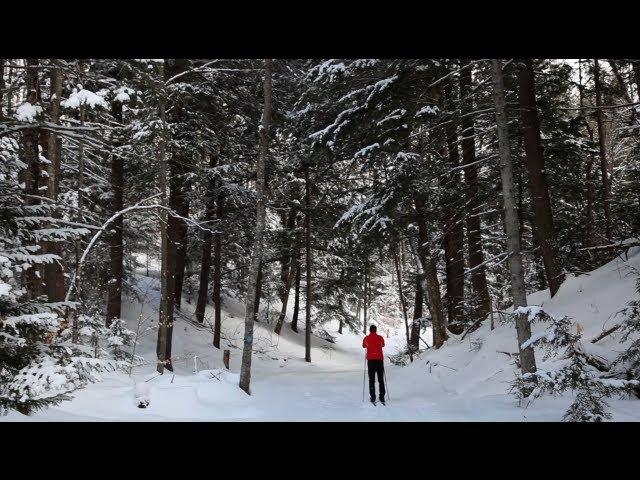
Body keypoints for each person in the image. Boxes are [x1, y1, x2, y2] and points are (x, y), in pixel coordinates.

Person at [362, 324, 386, 404]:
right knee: (381, 379)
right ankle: (382, 397)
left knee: (371, 380)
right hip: (379, 360)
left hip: (371, 361)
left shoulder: (366, 338)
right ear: (375, 330)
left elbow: (363, 346)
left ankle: (373, 397)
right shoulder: (380, 338)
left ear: (370, 330)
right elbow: (383, 345)